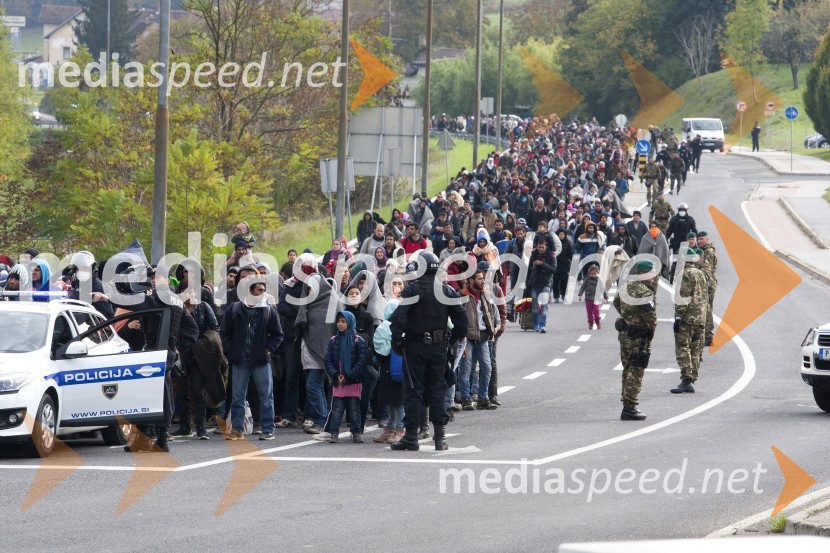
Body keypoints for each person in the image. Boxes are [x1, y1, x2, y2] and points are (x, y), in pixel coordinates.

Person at [389, 252, 467, 451]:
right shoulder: (447, 292)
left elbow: (398, 319)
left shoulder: (412, 291)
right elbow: (462, 322)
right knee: (437, 389)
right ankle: (440, 438)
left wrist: (397, 340)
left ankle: (412, 436)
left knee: (414, 390)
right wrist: (451, 339)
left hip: (416, 346)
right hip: (438, 348)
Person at [219, 277, 284, 441]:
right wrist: (230, 351)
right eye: (259, 290)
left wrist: (268, 350)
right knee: (238, 397)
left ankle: (268, 429)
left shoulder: (268, 310)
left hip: (261, 360)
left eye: (263, 290)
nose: (262, 293)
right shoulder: (234, 310)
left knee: (266, 396)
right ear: (250, 291)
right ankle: (237, 429)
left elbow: (278, 334)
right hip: (240, 360)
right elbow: (224, 332)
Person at [613, 260, 658, 421]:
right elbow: (651, 319)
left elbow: (616, 302)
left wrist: (627, 317)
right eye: (651, 273)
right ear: (642, 274)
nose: (653, 276)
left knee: (627, 368)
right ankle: (629, 407)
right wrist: (647, 330)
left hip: (625, 334)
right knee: (636, 370)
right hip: (639, 336)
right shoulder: (644, 292)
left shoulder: (626, 287)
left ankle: (627, 402)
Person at [323, 310, 368, 443]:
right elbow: (328, 360)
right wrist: (336, 374)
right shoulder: (333, 340)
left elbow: (362, 361)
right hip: (339, 381)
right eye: (338, 321)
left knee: (354, 409)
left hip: (353, 381)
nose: (340, 324)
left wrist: (349, 375)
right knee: (337, 409)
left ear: (350, 322)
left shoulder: (358, 341)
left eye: (343, 321)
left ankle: (356, 433)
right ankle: (334, 433)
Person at [458, 265, 499, 410]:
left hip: (483, 336)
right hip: (467, 337)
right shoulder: (462, 296)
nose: (483, 281)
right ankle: (466, 399)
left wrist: (493, 329)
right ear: (470, 280)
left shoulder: (485, 294)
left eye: (483, 278)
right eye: (480, 278)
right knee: (466, 370)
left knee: (486, 368)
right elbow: (458, 317)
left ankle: (483, 398)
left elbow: (492, 313)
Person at [671, 248, 709, 394]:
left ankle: (686, 379)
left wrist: (678, 316)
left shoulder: (684, 274)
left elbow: (683, 297)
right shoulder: (701, 274)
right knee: (695, 348)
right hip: (700, 317)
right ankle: (692, 378)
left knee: (683, 347)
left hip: (688, 317)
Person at [525, 237, 556, 333]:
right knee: (534, 306)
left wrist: (541, 264)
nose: (540, 249)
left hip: (546, 283)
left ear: (546, 247)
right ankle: (536, 325)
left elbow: (553, 269)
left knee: (544, 305)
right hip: (534, 283)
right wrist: (526, 283)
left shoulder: (551, 257)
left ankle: (542, 325)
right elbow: (528, 270)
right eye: (539, 247)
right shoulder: (533, 256)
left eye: (542, 247)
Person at [697, 231, 718, 346]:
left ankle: (708, 335)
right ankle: (706, 334)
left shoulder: (708, 252)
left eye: (701, 239)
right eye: (698, 239)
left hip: (708, 283)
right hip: (707, 281)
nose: (699, 241)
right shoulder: (706, 250)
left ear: (707, 239)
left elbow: (707, 269)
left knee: (707, 308)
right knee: (706, 307)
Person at [578, 264, 608, 330]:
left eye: (595, 273)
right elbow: (583, 287)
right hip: (588, 298)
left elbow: (603, 289)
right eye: (592, 273)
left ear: (598, 273)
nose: (593, 275)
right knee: (589, 312)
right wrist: (580, 294)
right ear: (589, 273)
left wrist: (606, 297)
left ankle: (597, 321)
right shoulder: (587, 279)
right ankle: (590, 323)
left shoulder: (600, 280)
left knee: (596, 311)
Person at [553, 229, 573, 304]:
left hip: (565, 265)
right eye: (560, 234)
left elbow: (570, 254)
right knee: (555, 281)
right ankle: (556, 296)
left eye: (563, 234)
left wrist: (573, 261)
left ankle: (563, 294)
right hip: (555, 264)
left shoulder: (567, 243)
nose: (561, 236)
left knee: (564, 281)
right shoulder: (554, 242)